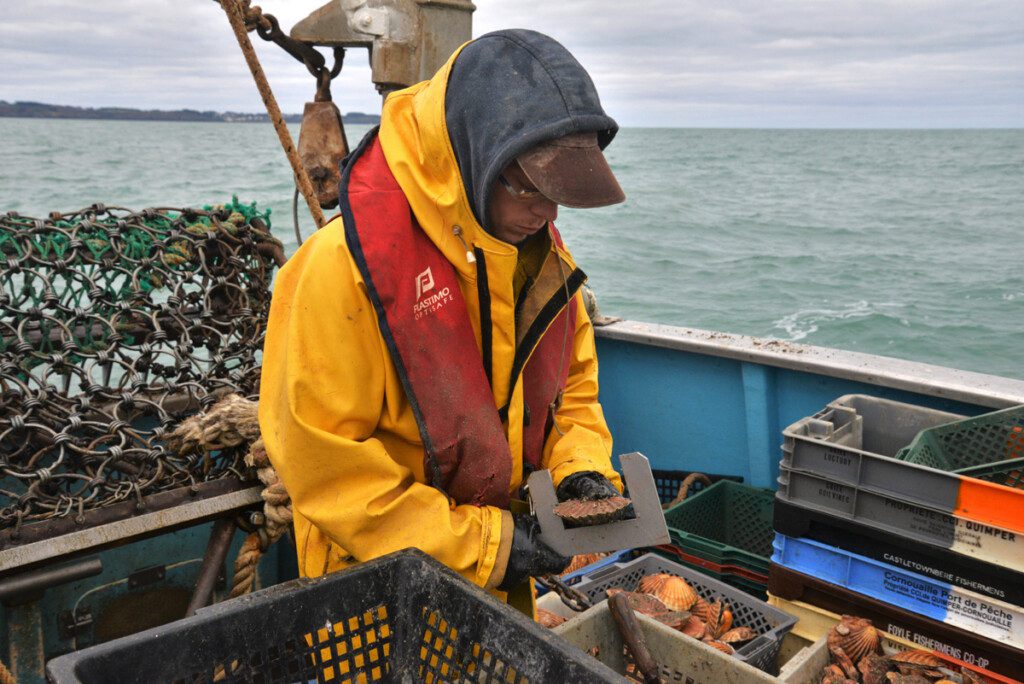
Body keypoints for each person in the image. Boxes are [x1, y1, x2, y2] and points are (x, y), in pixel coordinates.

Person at [259, 29, 628, 602]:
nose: (549, 212)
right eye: (531, 189)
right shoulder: (336, 273)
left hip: (495, 579)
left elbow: (571, 391)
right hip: (375, 592)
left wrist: (578, 469)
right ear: (477, 158)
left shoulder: (540, 260)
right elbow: (330, 471)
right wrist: (492, 547)